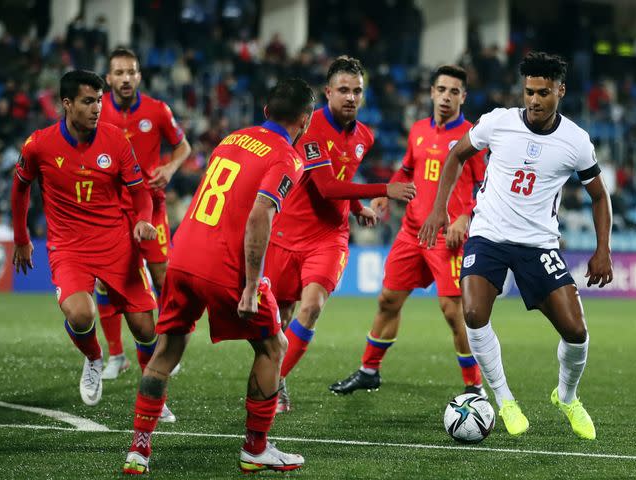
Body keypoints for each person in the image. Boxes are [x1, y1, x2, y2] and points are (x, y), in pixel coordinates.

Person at [122, 78, 315, 475]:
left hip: (183, 254)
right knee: (273, 347)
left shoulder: (234, 138)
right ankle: (256, 448)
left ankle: (139, 450)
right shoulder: (288, 158)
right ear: (306, 120)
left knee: (167, 350)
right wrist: (250, 284)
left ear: (264, 111)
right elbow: (261, 212)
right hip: (224, 264)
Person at [419, 52, 614, 440]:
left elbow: (599, 196)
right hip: (488, 234)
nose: (534, 101)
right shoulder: (498, 122)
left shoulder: (575, 141)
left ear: (560, 90)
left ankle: (567, 396)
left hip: (538, 244)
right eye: (529, 92)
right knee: (473, 313)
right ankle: (505, 400)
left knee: (576, 332)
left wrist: (602, 249)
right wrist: (439, 208)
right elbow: (456, 155)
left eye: (543, 93)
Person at [261, 56, 417, 413]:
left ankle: (268, 389)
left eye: (357, 91)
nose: (350, 97)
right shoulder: (311, 127)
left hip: (328, 237)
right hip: (288, 231)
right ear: (328, 92)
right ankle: (278, 378)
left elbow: (338, 186)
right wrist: (383, 190)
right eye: (343, 90)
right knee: (280, 317)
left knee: (312, 305)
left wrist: (354, 208)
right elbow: (327, 187)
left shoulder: (365, 135)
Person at [329, 65, 487, 396]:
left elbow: (487, 185)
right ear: (431, 92)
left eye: (454, 92)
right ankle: (369, 370)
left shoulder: (473, 137)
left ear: (463, 97)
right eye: (441, 90)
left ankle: (474, 387)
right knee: (388, 300)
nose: (446, 97)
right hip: (411, 232)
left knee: (453, 311)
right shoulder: (417, 130)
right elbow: (406, 169)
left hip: (449, 236)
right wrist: (387, 193)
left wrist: (465, 217)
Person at [11, 70, 159, 407]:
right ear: (67, 104)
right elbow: (20, 189)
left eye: (99, 101)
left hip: (116, 243)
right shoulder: (38, 145)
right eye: (88, 101)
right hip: (68, 247)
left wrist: (143, 221)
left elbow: (141, 194)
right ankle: (93, 358)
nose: (96, 108)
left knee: (145, 330)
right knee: (80, 314)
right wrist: (21, 238)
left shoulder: (117, 141)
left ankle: (153, 389)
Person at [98, 48, 192, 382]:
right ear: (109, 78)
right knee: (105, 280)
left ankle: (167, 349)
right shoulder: (98, 110)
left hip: (151, 205)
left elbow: (184, 147)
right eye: (119, 73)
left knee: (164, 275)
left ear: (139, 76)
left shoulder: (158, 111)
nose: (125, 78)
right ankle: (116, 355)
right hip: (110, 207)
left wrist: (170, 166)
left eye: (131, 72)